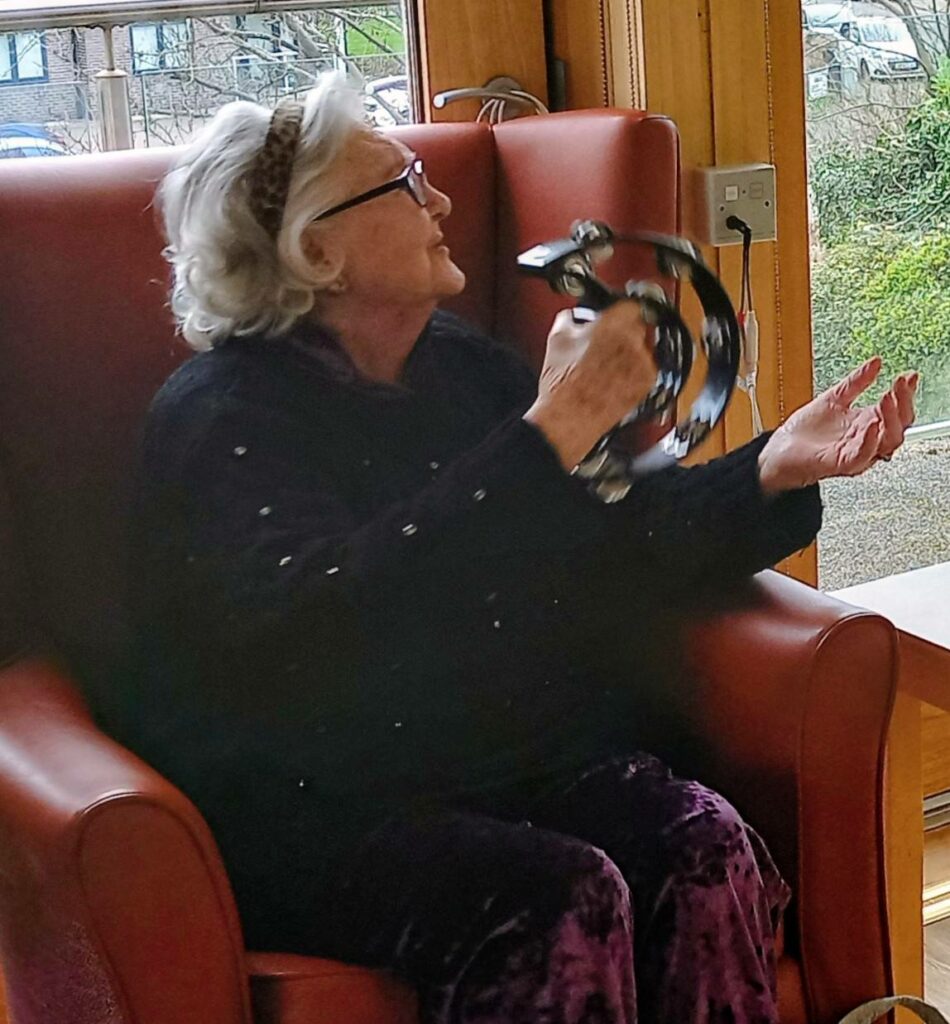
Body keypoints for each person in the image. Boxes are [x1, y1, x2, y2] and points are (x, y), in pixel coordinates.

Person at [122, 75, 918, 1024]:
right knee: (558, 899)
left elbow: (617, 538)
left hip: (501, 756)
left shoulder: (457, 366)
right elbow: (325, 636)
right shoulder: (222, 419)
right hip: (319, 800)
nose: (441, 200)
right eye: (406, 184)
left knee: (710, 846)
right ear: (316, 248)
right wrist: (553, 429)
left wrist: (771, 467)